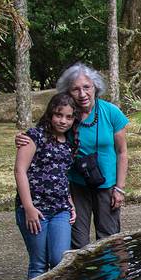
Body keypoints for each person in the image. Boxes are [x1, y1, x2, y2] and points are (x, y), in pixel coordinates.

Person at [17, 63, 129, 248]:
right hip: (75, 185)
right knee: (77, 240)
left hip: (107, 185)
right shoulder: (66, 114)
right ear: (68, 92)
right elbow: (40, 134)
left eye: (87, 87)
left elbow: (122, 152)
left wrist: (120, 188)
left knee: (109, 239)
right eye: (76, 89)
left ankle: (111, 276)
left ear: (96, 87)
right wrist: (22, 138)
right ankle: (82, 277)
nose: (82, 94)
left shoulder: (111, 112)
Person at [14, 92, 78, 279]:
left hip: (60, 210)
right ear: (50, 114)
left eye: (68, 117)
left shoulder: (69, 144)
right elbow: (20, 171)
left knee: (60, 261)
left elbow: (62, 176)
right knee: (39, 264)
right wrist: (29, 208)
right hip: (36, 210)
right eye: (59, 115)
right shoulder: (34, 136)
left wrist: (70, 203)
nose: (63, 121)